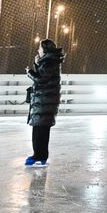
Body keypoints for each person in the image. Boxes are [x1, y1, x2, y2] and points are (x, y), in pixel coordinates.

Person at [25, 39, 63, 167]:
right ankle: (41, 155)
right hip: (45, 101)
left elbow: (40, 79)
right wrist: (37, 64)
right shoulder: (48, 62)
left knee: (39, 129)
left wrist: (29, 72)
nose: (38, 50)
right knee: (41, 129)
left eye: (40, 48)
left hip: (45, 102)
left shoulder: (49, 62)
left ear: (45, 49)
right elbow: (43, 76)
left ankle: (38, 155)